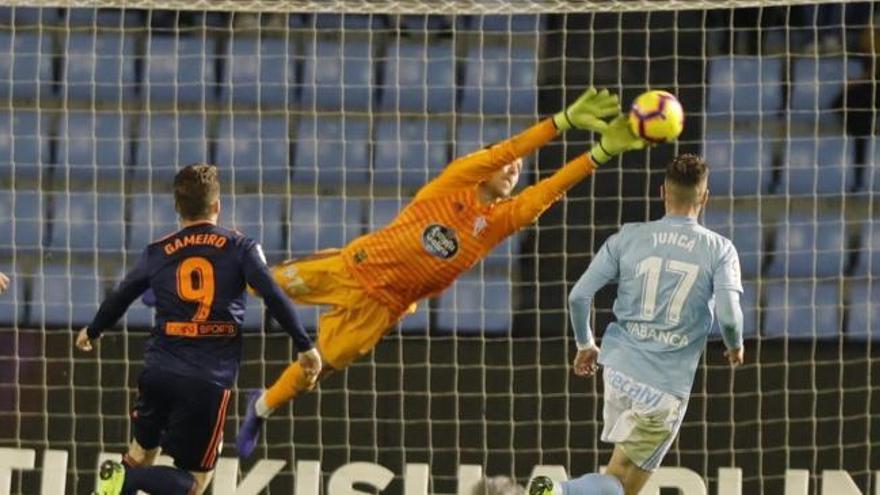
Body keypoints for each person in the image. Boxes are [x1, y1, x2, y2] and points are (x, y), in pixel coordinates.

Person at [236, 88, 648, 457]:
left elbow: (547, 191)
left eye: (519, 171)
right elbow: (509, 149)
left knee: (317, 366)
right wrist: (564, 122)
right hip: (351, 267)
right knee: (258, 283)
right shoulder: (455, 182)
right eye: (507, 166)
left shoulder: (498, 222)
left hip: (382, 306)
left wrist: (600, 153)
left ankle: (260, 406)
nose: (512, 171)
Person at [77, 164, 321, 495]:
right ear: (217, 206)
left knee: (140, 453)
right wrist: (305, 346)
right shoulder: (240, 247)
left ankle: (118, 480)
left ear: (177, 208)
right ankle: (123, 481)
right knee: (195, 481)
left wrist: (93, 330)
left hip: (159, 369)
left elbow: (122, 294)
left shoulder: (159, 250)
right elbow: (273, 294)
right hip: (207, 379)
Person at [529, 154, 745, 495]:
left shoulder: (628, 237)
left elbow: (578, 296)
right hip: (662, 387)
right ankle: (558, 492)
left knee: (616, 474)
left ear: (662, 192)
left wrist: (585, 343)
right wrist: (735, 345)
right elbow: (731, 315)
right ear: (705, 197)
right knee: (620, 485)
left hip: (618, 372)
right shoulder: (719, 249)